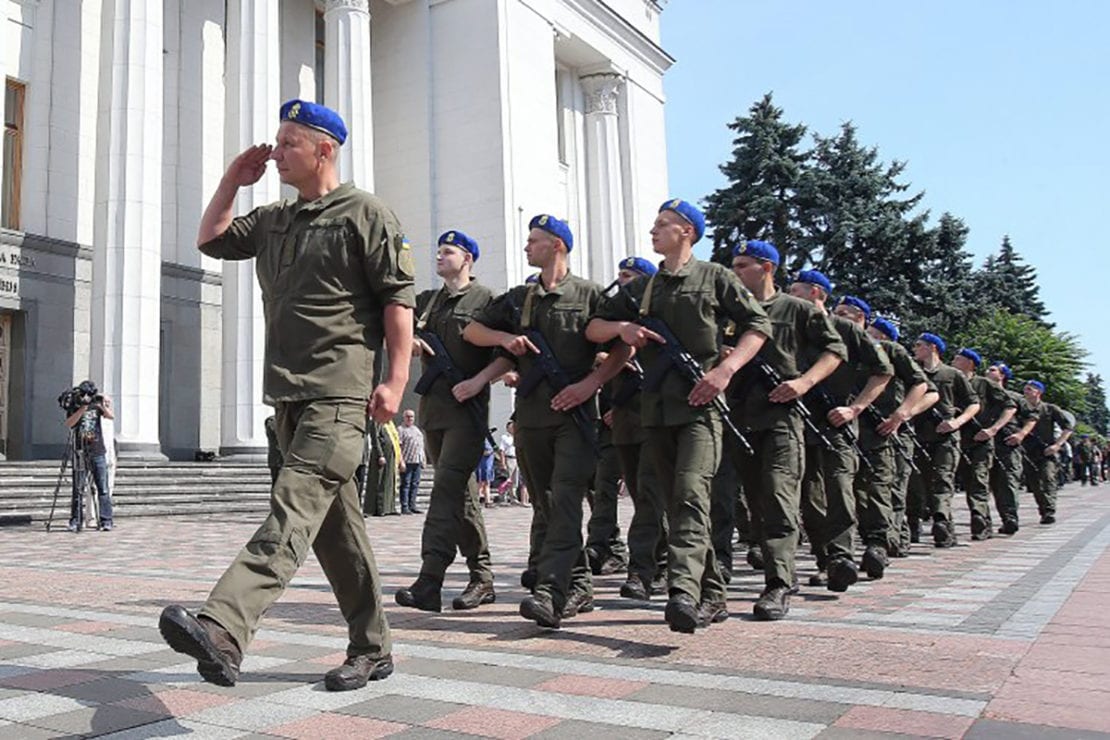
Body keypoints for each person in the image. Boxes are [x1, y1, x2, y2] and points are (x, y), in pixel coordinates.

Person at [158, 99, 413, 691]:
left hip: (339, 395)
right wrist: (231, 180)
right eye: (276, 142)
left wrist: (395, 380)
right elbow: (212, 238)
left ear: (324, 149)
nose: (276, 153)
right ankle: (373, 649)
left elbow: (399, 302)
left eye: (288, 143)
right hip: (288, 400)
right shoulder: (274, 218)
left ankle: (224, 627)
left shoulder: (365, 213)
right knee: (336, 532)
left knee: (292, 512)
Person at [587, 201, 773, 632]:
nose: (653, 232)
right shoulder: (644, 288)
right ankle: (711, 594)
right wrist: (621, 331)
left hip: (700, 407)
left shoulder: (715, 278)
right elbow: (595, 326)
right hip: (656, 409)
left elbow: (758, 325)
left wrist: (726, 370)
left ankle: (683, 592)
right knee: (673, 502)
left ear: (686, 231)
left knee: (690, 494)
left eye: (662, 226)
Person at [466, 213, 626, 629]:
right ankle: (579, 585)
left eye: (533, 240)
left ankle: (550, 592)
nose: (526, 247)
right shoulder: (519, 298)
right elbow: (473, 332)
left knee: (566, 498)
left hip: (574, 417)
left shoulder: (590, 294)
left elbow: (623, 348)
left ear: (556, 245)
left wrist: (592, 384)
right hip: (532, 418)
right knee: (547, 505)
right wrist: (503, 339)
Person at [725, 243, 844, 619]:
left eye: (742, 266)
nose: (736, 272)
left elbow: (834, 350)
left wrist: (804, 383)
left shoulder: (797, 310)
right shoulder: (731, 310)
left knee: (779, 498)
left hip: (780, 417)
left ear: (766, 268)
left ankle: (778, 584)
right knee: (744, 503)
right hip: (737, 416)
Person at [395, 229, 501, 613]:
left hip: (467, 413)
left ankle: (430, 579)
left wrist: (479, 382)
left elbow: (504, 351)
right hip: (434, 411)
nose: (440, 257)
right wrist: (413, 342)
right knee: (462, 495)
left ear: (468, 259)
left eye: (448, 252)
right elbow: (396, 323)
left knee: (445, 491)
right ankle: (482, 576)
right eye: (438, 250)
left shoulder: (486, 299)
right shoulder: (427, 301)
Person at [787, 280, 891, 592]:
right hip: (797, 425)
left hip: (837, 425)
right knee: (808, 498)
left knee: (840, 490)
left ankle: (842, 556)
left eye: (796, 292)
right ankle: (825, 560)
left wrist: (855, 408)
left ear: (816, 293)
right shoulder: (789, 327)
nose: (790, 297)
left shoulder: (845, 330)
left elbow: (882, 371)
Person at [865, 317, 936, 555]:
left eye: (872, 331)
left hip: (895, 432)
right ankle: (888, 536)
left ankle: (895, 537)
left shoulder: (895, 353)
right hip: (863, 429)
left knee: (894, 486)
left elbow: (929, 392)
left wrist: (904, 414)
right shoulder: (856, 351)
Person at [907, 333, 980, 548]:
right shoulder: (912, 371)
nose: (915, 348)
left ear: (932, 348)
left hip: (945, 436)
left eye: (919, 345)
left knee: (943, 478)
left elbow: (973, 403)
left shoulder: (952, 374)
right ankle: (913, 525)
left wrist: (957, 422)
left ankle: (941, 522)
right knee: (915, 482)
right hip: (918, 434)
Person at [952, 348, 1016, 540]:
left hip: (980, 442)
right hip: (957, 441)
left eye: (958, 358)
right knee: (965, 482)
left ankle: (980, 521)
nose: (954, 360)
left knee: (978, 482)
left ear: (970, 363)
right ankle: (981, 519)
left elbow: (1010, 406)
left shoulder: (984, 384)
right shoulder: (951, 381)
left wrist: (993, 429)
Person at [1007, 380, 1073, 524]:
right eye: (1025, 389)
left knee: (1048, 478)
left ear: (1039, 392)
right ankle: (1043, 510)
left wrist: (1057, 445)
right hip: (1026, 451)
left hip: (1046, 451)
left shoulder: (1050, 409)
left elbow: (1068, 428)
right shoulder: (1019, 409)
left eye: (1030, 389)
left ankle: (1049, 510)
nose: (1026, 392)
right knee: (1034, 484)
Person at [64, 380, 115, 532]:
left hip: (98, 451)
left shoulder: (97, 405)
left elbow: (110, 416)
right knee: (78, 488)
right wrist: (81, 409)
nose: (86, 397)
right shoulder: (75, 405)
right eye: (84, 394)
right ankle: (75, 520)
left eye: (89, 394)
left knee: (103, 488)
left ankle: (106, 520)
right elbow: (69, 424)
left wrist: (102, 405)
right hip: (80, 451)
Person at [984, 362, 1029, 534]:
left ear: (1003, 375)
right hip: (982, 444)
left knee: (1007, 482)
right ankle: (983, 522)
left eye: (993, 370)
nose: (988, 371)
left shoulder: (1014, 397)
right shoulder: (980, 394)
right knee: (981, 484)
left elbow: (1031, 417)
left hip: (1007, 445)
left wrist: (1021, 434)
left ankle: (1010, 518)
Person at [397, 409, 425, 514]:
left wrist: (423, 459)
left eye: (412, 416)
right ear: (404, 417)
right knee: (406, 484)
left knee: (415, 484)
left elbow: (421, 446)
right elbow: (398, 446)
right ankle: (404, 507)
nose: (410, 418)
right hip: (407, 461)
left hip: (417, 461)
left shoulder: (417, 430)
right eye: (408, 416)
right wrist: (401, 461)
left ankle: (412, 505)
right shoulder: (400, 429)